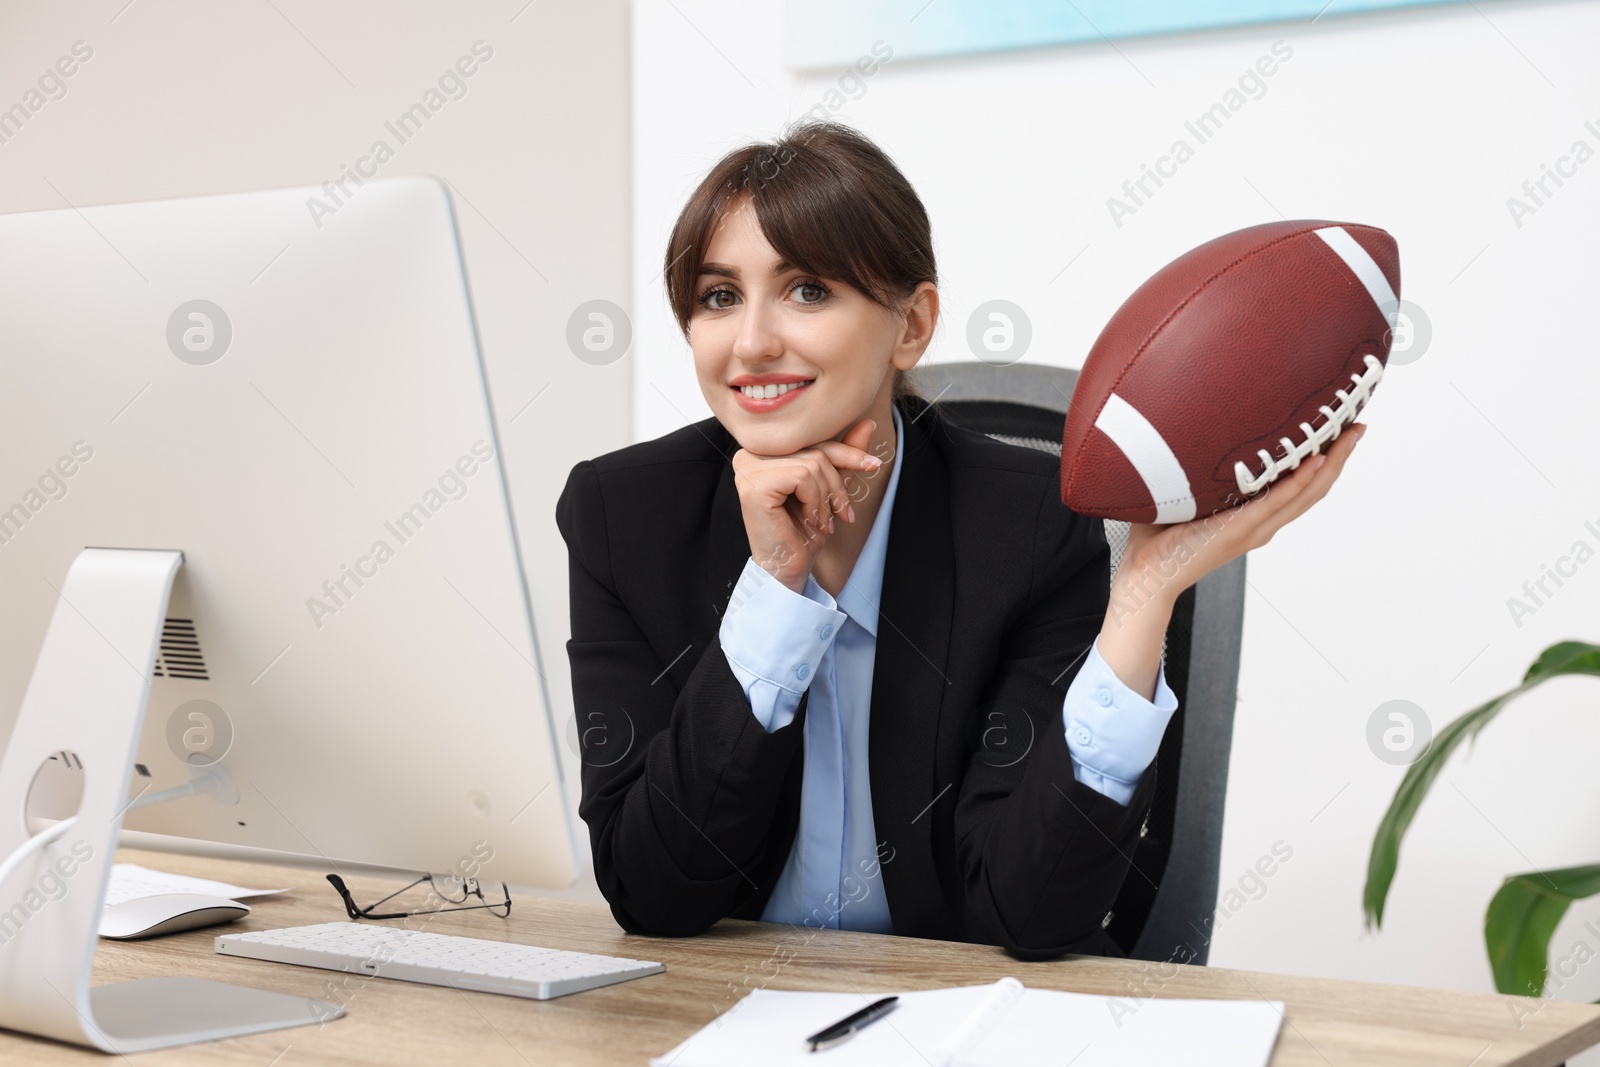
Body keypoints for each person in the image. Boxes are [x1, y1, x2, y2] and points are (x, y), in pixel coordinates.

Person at [554, 119, 1363, 960]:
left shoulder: (1029, 531)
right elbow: (653, 892)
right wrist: (775, 588)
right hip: (722, 1017)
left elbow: (1030, 913)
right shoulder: (624, 515)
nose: (752, 341)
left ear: (911, 324)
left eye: (806, 290)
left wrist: (1145, 591)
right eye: (720, 296)